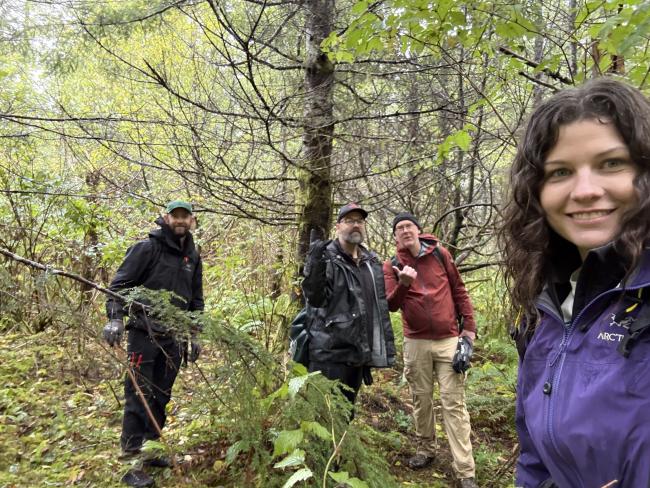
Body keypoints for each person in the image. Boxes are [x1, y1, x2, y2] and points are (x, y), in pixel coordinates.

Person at [500, 77, 650, 487]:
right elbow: (536, 460)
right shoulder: (549, 305)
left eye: (612, 163)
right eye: (561, 171)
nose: (585, 190)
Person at [104, 200, 204, 488]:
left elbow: (195, 299)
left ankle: (151, 449)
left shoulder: (192, 256)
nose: (180, 221)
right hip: (142, 334)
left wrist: (194, 333)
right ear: (166, 218)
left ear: (192, 221)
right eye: (175, 216)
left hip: (172, 337)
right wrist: (114, 319)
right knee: (139, 395)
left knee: (161, 395)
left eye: (185, 217)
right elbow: (119, 286)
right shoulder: (146, 248)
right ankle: (130, 462)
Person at [383, 212, 478, 488]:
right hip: (415, 342)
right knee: (421, 399)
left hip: (449, 339)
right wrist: (404, 285)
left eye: (408, 226)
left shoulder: (440, 254)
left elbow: (459, 290)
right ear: (395, 236)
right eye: (399, 228)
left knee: (453, 402)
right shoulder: (391, 265)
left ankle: (465, 470)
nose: (404, 230)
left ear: (418, 230)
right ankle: (426, 449)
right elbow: (390, 304)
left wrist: (468, 330)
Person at [301, 202, 396, 406]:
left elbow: (373, 308)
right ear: (338, 226)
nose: (356, 225)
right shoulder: (326, 258)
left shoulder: (370, 262)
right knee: (324, 417)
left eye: (360, 221)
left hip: (357, 355)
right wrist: (315, 262)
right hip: (329, 356)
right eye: (349, 221)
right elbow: (315, 299)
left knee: (346, 415)